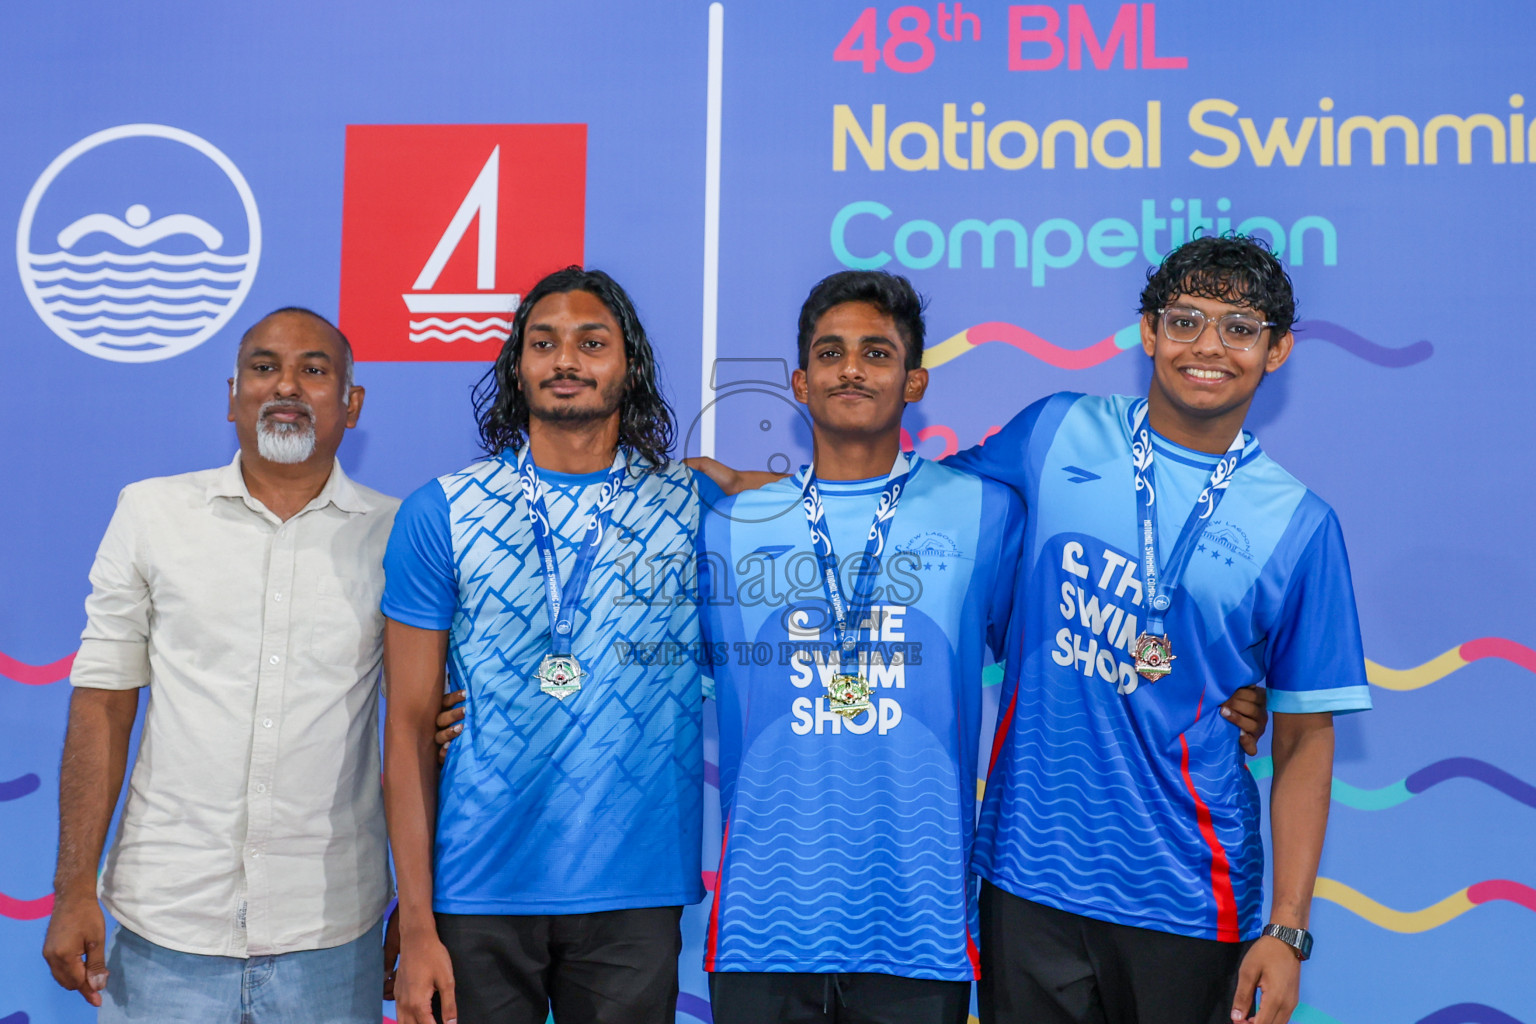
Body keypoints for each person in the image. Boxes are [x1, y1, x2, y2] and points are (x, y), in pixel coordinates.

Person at [950, 235, 1370, 1024]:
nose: (1208, 346)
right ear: (1148, 332)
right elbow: (912, 504)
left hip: (1187, 895)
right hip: (1027, 879)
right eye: (1186, 320)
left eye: (1239, 326)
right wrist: (766, 491)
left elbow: (1306, 737)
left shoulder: (1299, 525)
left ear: (1276, 351)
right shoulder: (1055, 432)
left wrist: (1288, 928)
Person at [42, 308, 399, 1023]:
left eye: (315, 369)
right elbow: (103, 703)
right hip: (163, 930)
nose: (286, 386)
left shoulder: (399, 534)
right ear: (231, 394)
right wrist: (74, 886)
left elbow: (420, 729)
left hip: (331, 935)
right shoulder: (151, 514)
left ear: (353, 404)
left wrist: (422, 910)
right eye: (264, 368)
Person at [383, 267, 719, 1024]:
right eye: (544, 343)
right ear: (517, 366)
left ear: (626, 365)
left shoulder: (694, 507)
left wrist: (732, 476)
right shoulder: (441, 511)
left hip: (634, 893)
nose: (566, 360)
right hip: (475, 891)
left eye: (591, 343)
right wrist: (415, 923)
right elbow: (405, 729)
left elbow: (819, 496)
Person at [695, 270, 1018, 1024]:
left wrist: (1220, 684)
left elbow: (1056, 661)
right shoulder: (730, 526)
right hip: (764, 925)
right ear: (801, 383)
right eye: (831, 353)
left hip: (920, 922)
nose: (851, 368)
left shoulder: (985, 513)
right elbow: (667, 685)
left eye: (876, 353)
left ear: (914, 382)